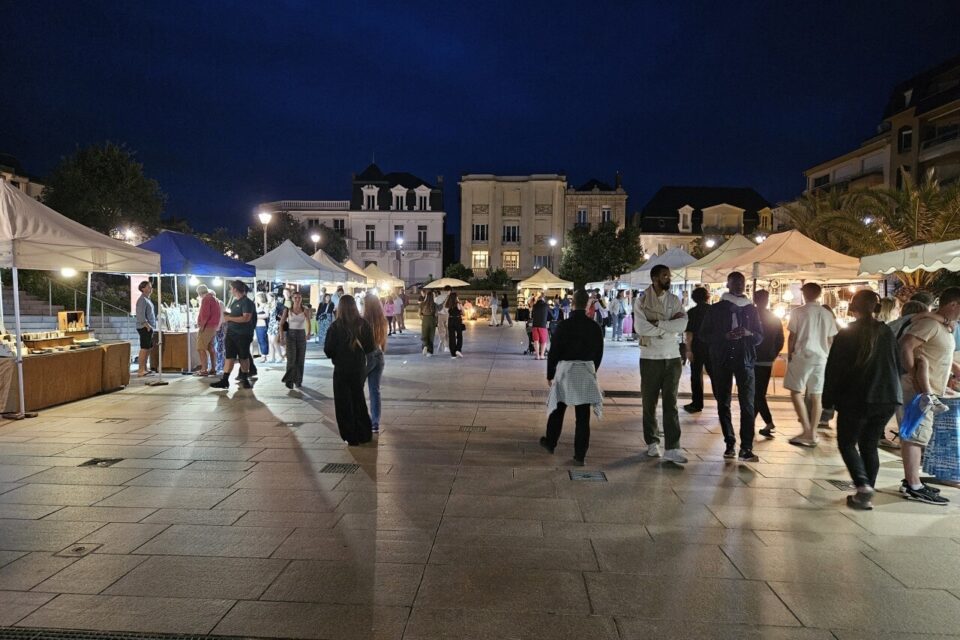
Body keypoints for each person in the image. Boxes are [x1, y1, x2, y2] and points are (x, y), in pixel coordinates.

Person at [823, 290, 903, 510]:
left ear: (853, 307)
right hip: (886, 397)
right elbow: (898, 364)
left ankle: (862, 486)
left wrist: (828, 400)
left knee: (847, 443)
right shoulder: (886, 331)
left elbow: (834, 370)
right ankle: (867, 490)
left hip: (856, 398)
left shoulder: (848, 333)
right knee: (869, 445)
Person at [897, 287, 960, 505]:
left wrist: (954, 368)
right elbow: (906, 345)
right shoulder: (930, 324)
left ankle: (913, 481)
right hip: (921, 390)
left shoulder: (942, 325)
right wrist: (914, 376)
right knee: (915, 435)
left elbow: (936, 352)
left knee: (918, 435)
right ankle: (914, 485)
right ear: (953, 305)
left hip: (930, 389)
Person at [700, 272, 764, 461]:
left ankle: (746, 447)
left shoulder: (751, 309)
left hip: (745, 359)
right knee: (723, 402)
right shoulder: (717, 309)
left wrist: (748, 333)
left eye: (741, 282)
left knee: (748, 404)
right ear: (727, 284)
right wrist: (724, 336)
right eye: (735, 282)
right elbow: (704, 335)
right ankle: (730, 442)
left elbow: (760, 337)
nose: (739, 285)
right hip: (722, 359)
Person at [539, 289, 604, 465]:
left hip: (566, 371)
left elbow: (554, 351)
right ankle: (580, 454)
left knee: (558, 410)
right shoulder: (594, 327)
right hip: (585, 372)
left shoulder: (564, 325)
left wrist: (550, 373)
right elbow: (599, 353)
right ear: (588, 304)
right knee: (583, 417)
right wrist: (592, 370)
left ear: (573, 303)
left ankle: (551, 442)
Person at [634, 264, 688, 464]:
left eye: (669, 275)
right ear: (654, 278)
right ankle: (652, 441)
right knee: (649, 403)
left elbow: (683, 324)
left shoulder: (674, 301)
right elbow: (640, 327)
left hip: (672, 357)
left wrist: (657, 324)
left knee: (671, 403)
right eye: (665, 275)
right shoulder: (640, 301)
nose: (668, 279)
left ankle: (673, 447)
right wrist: (669, 328)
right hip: (650, 358)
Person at [784, 283, 837, 447]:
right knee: (816, 396)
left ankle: (807, 429)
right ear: (819, 295)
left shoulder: (798, 312)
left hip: (802, 355)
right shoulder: (826, 314)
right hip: (821, 357)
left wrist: (790, 354)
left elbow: (792, 336)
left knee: (795, 391)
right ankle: (812, 433)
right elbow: (830, 339)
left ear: (804, 294)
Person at [324, 294, 376, 446]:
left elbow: (328, 350)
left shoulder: (335, 326)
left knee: (343, 402)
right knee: (358, 399)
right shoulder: (363, 324)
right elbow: (370, 347)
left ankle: (350, 435)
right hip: (358, 367)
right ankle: (364, 433)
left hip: (341, 369)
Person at [210, 280, 256, 390]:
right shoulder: (235, 302)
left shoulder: (247, 302)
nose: (230, 290)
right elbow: (237, 316)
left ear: (235, 289)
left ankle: (245, 379)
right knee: (229, 357)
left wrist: (229, 318)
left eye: (231, 288)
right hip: (231, 334)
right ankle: (225, 380)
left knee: (243, 357)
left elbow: (246, 318)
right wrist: (229, 315)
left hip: (243, 335)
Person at [753, 289, 785, 438]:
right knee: (759, 392)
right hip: (767, 359)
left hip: (751, 358)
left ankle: (769, 421)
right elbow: (780, 340)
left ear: (754, 299)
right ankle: (751, 421)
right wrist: (773, 353)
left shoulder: (750, 315)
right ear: (767, 300)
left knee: (756, 393)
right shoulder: (774, 318)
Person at [683, 287, 712, 414]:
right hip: (712, 348)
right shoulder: (714, 310)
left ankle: (697, 403)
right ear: (707, 297)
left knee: (696, 375)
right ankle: (722, 402)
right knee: (715, 376)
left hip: (697, 347)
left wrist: (688, 350)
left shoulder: (692, 312)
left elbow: (689, 334)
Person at [363, 292, 388, 434]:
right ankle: (375, 423)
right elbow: (383, 342)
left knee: (358, 388)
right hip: (379, 355)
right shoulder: (382, 320)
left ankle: (362, 418)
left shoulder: (364, 320)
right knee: (375, 390)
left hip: (367, 356)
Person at [279, 291, 311, 389]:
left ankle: (298, 380)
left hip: (301, 334)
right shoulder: (287, 310)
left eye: (299, 297)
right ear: (292, 299)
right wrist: (282, 337)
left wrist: (308, 333)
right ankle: (289, 380)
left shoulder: (305, 310)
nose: (297, 299)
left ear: (301, 299)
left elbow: (309, 322)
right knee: (291, 359)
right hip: (291, 335)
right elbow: (281, 324)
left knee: (300, 359)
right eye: (295, 297)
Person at [196, 285, 220, 376]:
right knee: (211, 348)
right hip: (213, 326)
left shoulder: (206, 299)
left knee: (201, 348)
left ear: (199, 293)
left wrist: (202, 326)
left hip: (207, 327)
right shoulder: (214, 299)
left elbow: (205, 314)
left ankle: (203, 369)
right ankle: (213, 368)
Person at [135, 280, 156, 377]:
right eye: (148, 287)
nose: (150, 288)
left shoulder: (147, 299)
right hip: (144, 327)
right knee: (144, 348)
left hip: (149, 327)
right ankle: (140, 369)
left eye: (150, 287)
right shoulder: (142, 300)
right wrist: (147, 325)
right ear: (143, 288)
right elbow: (140, 315)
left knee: (148, 348)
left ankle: (145, 368)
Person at [531, 293, 550, 360]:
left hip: (535, 325)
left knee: (536, 341)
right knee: (543, 341)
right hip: (543, 325)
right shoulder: (546, 305)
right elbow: (552, 315)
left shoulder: (534, 305)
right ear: (543, 299)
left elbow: (532, 315)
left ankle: (537, 356)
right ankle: (542, 355)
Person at [447, 291, 465, 358]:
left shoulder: (448, 304)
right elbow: (463, 313)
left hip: (450, 320)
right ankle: (458, 349)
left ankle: (453, 354)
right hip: (457, 320)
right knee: (459, 336)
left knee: (452, 337)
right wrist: (459, 303)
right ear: (456, 297)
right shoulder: (458, 304)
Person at [419, 291, 438, 356]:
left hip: (425, 319)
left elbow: (419, 314)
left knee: (424, 334)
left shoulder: (422, 304)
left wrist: (422, 318)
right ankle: (429, 352)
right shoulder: (434, 304)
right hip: (432, 319)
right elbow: (436, 314)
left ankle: (425, 346)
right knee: (431, 335)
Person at [253, 292, 270, 364]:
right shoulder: (258, 306)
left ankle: (264, 356)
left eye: (257, 297)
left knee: (263, 341)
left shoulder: (265, 306)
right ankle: (263, 354)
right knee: (260, 341)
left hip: (262, 325)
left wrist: (256, 316)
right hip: (257, 325)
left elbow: (266, 315)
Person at [435, 286, 451, 353]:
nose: (449, 292)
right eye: (449, 291)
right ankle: (444, 344)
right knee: (443, 331)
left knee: (446, 331)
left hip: (445, 315)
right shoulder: (441, 298)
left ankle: (444, 344)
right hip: (442, 315)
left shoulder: (450, 298)